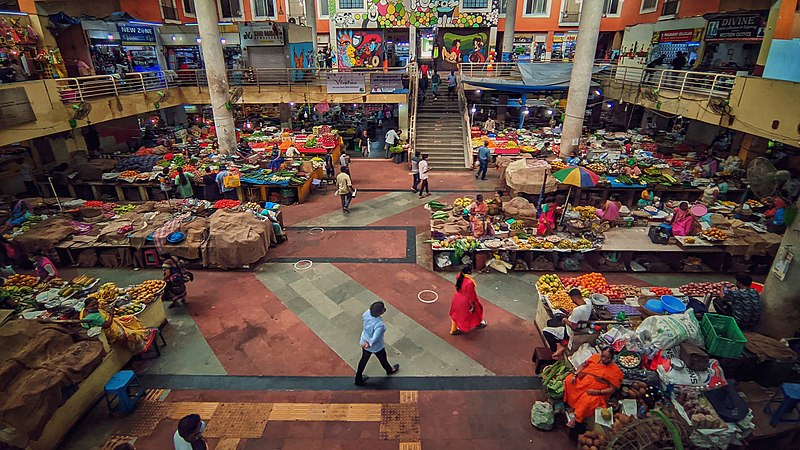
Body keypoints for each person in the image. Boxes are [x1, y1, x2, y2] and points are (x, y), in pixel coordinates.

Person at [37, 296, 157, 354]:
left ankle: (141, 330)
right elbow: (107, 324)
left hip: (112, 322)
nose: (96, 307)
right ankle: (142, 340)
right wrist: (110, 313)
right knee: (130, 334)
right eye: (93, 305)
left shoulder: (86, 311)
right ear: (87, 306)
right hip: (110, 330)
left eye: (96, 304)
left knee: (131, 318)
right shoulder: (92, 316)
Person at [563, 347, 623, 427]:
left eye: (607, 358)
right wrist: (575, 375)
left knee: (587, 401)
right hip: (584, 380)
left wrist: (597, 392)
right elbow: (583, 365)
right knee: (568, 380)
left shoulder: (615, 371)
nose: (604, 359)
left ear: (612, 358)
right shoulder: (595, 357)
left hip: (597, 390)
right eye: (603, 356)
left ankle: (577, 417)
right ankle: (572, 406)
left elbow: (612, 389)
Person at [355, 301, 400, 386]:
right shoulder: (379, 324)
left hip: (364, 340)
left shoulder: (366, 313)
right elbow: (375, 337)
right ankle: (389, 370)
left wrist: (366, 343)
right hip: (375, 346)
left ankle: (358, 378)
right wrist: (370, 344)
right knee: (383, 358)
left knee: (364, 359)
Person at [542, 289, 592, 358]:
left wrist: (565, 320)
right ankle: (558, 341)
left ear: (574, 298)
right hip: (579, 323)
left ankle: (556, 349)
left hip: (569, 331)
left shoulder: (577, 311)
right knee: (550, 322)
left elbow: (573, 326)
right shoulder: (588, 302)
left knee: (545, 331)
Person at [449, 265, 486, 335]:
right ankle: (478, 324)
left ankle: (453, 329)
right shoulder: (469, 283)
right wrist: (472, 306)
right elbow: (471, 296)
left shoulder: (459, 275)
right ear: (469, 272)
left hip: (457, 298)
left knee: (456, 315)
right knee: (476, 312)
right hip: (465, 302)